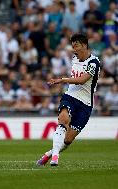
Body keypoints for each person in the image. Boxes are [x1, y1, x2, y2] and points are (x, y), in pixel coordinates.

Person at [36, 33, 100, 166]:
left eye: (76, 45)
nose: (74, 48)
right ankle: (55, 158)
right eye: (73, 46)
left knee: (68, 140)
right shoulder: (74, 58)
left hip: (86, 104)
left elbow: (82, 80)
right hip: (70, 96)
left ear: (84, 45)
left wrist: (63, 80)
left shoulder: (93, 62)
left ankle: (48, 155)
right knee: (63, 120)